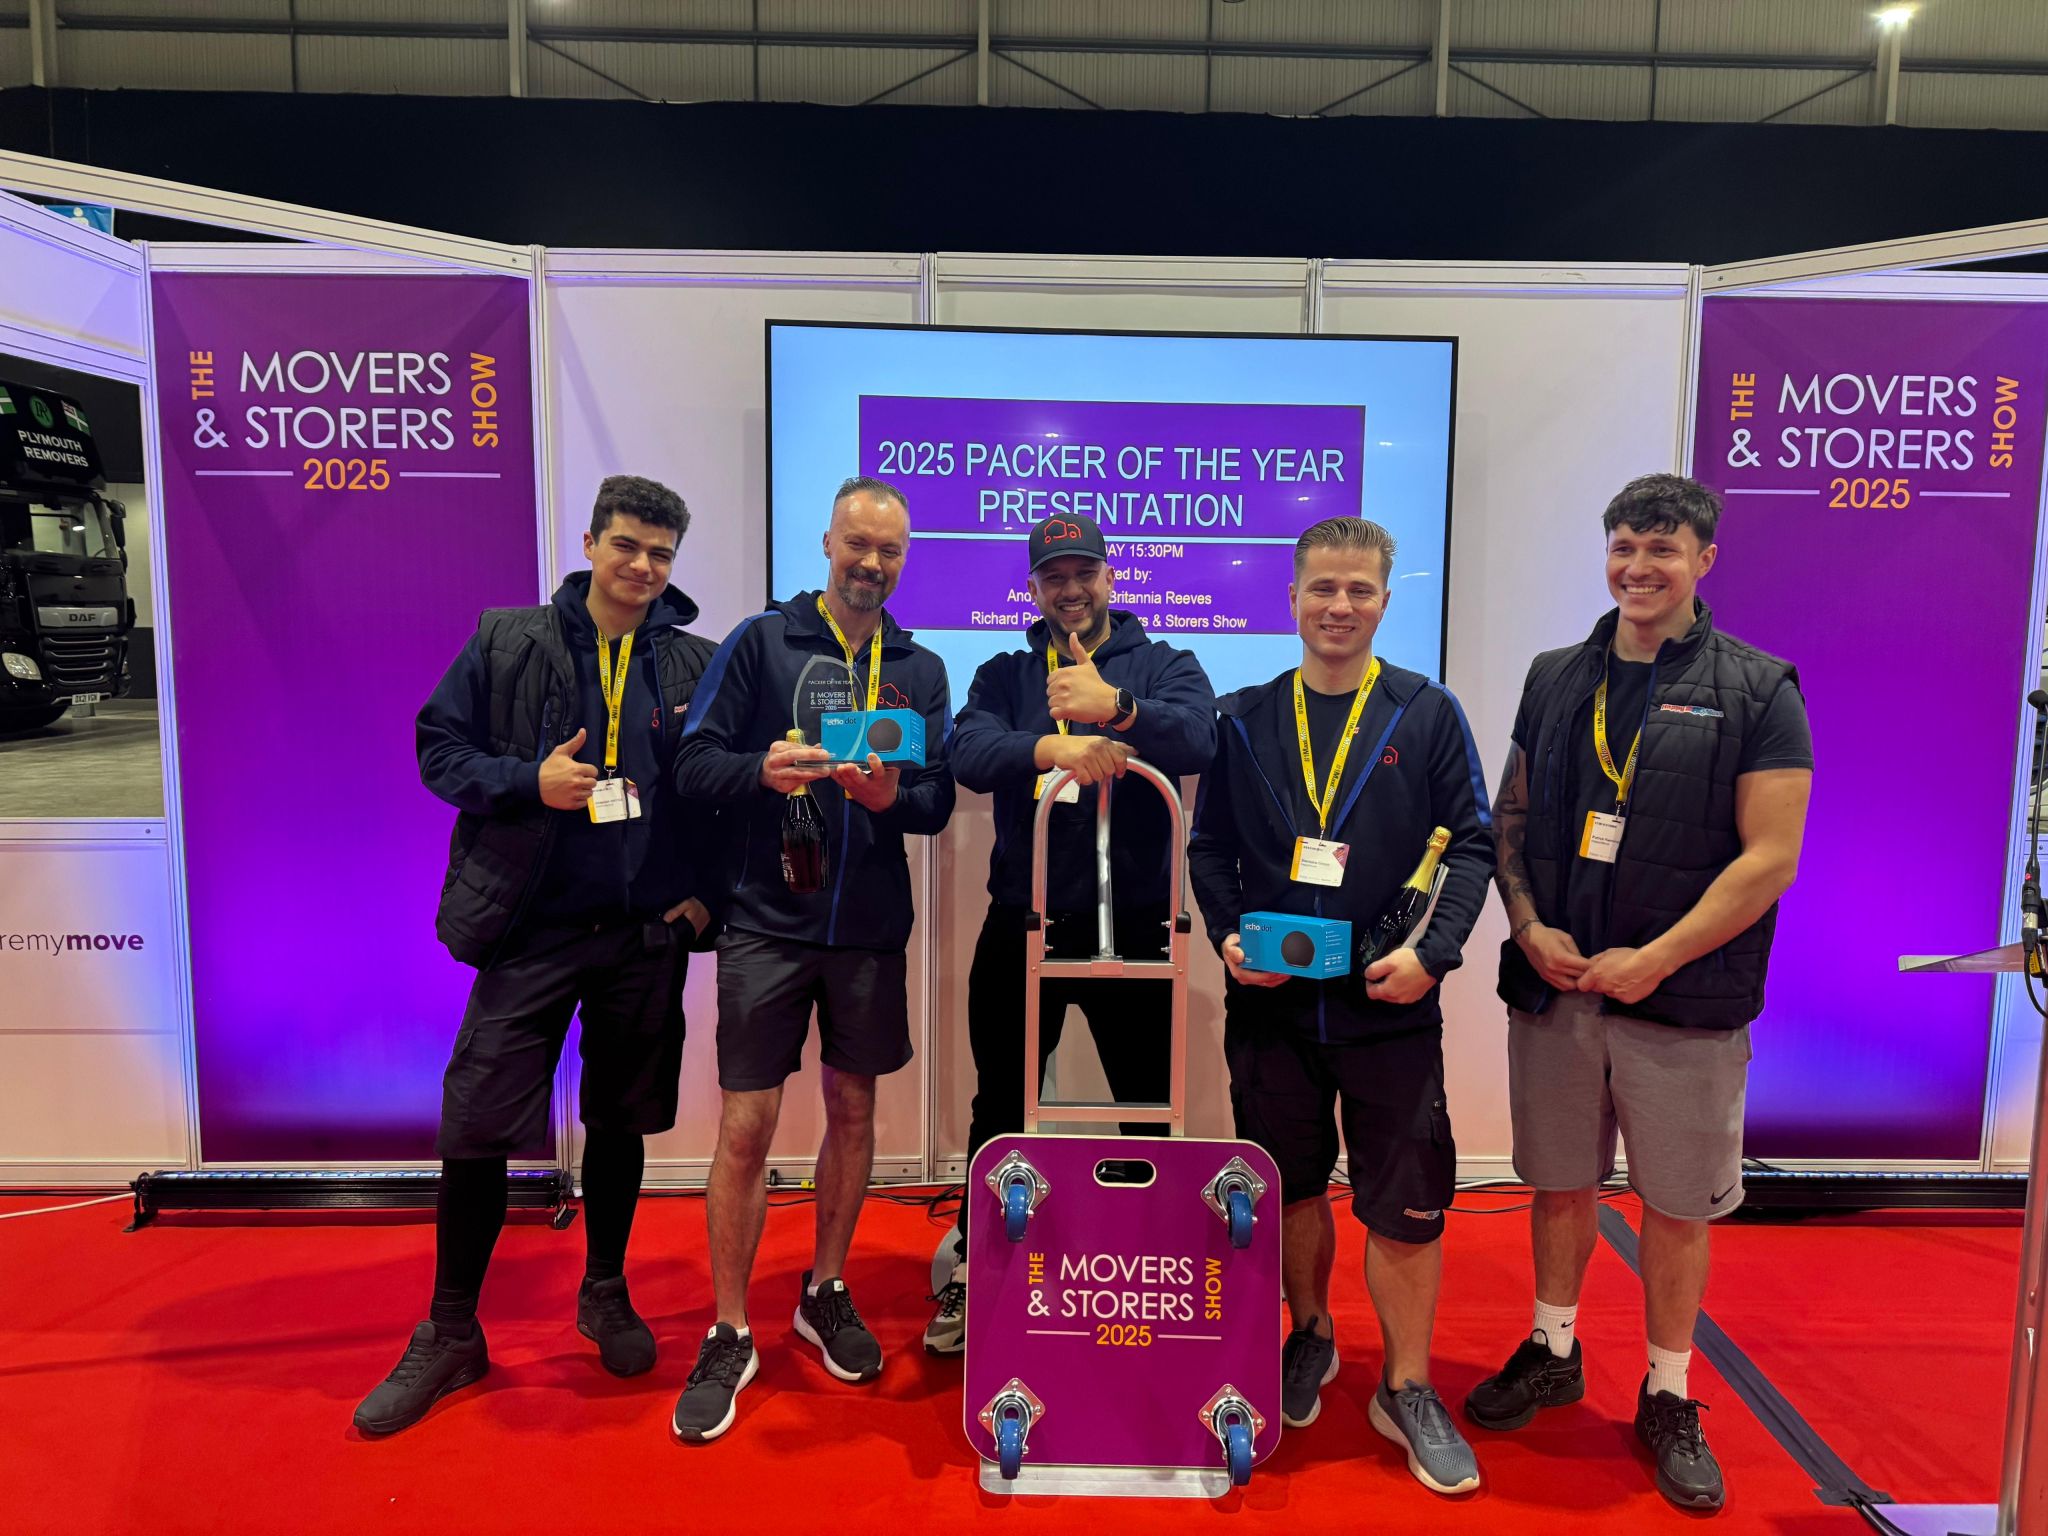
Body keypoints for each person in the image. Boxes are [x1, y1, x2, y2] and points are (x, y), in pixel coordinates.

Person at [1465, 473, 1811, 1512]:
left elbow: (1769, 858)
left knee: (1672, 1205)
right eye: (1622, 546)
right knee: (1558, 1182)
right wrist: (1525, 926)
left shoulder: (1758, 688)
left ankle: (1666, 1391)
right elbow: (1511, 818)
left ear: (1703, 559)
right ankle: (1552, 1343)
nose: (1636, 568)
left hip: (1682, 1002)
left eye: (1660, 550)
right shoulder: (1553, 675)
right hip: (1559, 991)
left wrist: (1653, 958)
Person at [354, 475, 722, 1436]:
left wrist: (700, 904)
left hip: (644, 936)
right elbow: (439, 749)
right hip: (532, 930)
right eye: (627, 546)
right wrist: (531, 780)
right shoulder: (507, 638)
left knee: (623, 1118)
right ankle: (450, 1331)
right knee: (475, 1124)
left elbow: (716, 791)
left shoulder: (695, 661)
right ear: (593, 543)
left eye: (660, 554)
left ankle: (604, 1289)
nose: (642, 567)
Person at [1188, 515, 1493, 1495]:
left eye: (1359, 590)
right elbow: (1208, 850)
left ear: (1384, 601)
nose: (1338, 606)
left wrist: (1432, 955)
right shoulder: (1241, 716)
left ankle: (1405, 1386)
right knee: (1290, 1189)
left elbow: (1474, 843)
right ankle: (1307, 1335)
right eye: (1322, 588)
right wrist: (1231, 935)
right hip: (1274, 1012)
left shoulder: (1425, 712)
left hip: (1387, 1004)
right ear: (1290, 597)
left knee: (1404, 1210)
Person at [668, 475, 954, 1443]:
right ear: (826, 542)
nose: (870, 564)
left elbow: (937, 800)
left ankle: (824, 1287)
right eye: (856, 545)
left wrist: (888, 802)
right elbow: (691, 764)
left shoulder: (920, 665)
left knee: (854, 1109)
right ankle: (728, 1326)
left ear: (903, 558)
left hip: (869, 927)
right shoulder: (761, 642)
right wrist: (761, 768)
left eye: (889, 551)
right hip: (765, 922)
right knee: (746, 1124)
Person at [926, 513, 1218, 1353]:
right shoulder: (1007, 670)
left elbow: (1199, 738)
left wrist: (1115, 709)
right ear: (1034, 588)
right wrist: (1054, 744)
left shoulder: (1166, 665)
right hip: (1027, 926)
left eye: (1083, 571)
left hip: (1137, 929)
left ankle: (1147, 1264)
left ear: (1110, 577)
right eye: (1053, 575)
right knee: (1003, 1108)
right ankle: (982, 1276)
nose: (1071, 588)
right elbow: (968, 752)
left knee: (1145, 1110)